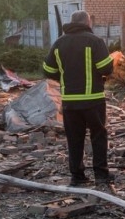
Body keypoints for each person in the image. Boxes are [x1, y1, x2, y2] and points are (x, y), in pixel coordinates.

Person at [42, 10, 118, 187]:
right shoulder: (95, 41)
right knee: (98, 136)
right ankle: (101, 175)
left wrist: (65, 77)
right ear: (88, 22)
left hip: (70, 102)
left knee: (74, 138)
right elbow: (106, 68)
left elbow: (48, 70)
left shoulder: (59, 43)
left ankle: (77, 176)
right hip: (93, 100)